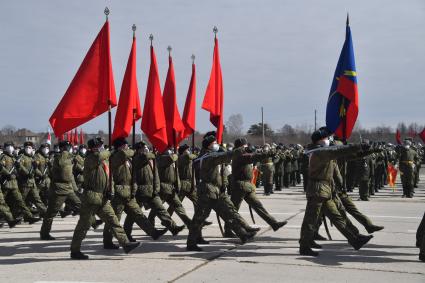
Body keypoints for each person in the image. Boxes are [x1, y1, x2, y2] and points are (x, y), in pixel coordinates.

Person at [299, 127, 373, 256]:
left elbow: (342, 154)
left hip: (324, 190)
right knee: (310, 220)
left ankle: (354, 240)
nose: (329, 140)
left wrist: (362, 149)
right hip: (318, 190)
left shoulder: (320, 151)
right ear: (320, 141)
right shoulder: (320, 152)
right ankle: (304, 246)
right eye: (326, 138)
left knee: (337, 217)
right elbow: (340, 151)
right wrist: (358, 146)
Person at [70, 137, 139, 260]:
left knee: (113, 221)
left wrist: (109, 190)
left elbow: (108, 177)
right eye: (99, 146)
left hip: (103, 198)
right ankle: (75, 250)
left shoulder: (104, 161)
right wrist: (110, 151)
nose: (102, 147)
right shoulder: (91, 158)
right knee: (83, 225)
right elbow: (98, 157)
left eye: (102, 146)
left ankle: (125, 243)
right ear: (93, 148)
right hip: (91, 197)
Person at [186, 134, 257, 251]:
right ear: (209, 145)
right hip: (207, 191)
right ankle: (191, 243)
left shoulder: (205, 155)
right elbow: (224, 156)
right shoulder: (208, 157)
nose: (216, 145)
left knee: (227, 213)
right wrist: (238, 150)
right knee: (199, 218)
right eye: (214, 143)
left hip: (214, 191)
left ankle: (242, 234)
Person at [102, 138, 166, 249]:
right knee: (114, 219)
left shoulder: (128, 158)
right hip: (119, 192)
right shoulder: (116, 156)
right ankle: (107, 241)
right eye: (125, 145)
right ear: (120, 147)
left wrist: (134, 187)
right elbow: (125, 154)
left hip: (129, 192)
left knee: (138, 214)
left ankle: (153, 232)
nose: (127, 147)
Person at [123, 141, 184, 241]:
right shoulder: (137, 158)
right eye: (143, 148)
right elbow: (145, 157)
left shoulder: (151, 159)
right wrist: (154, 152)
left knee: (161, 209)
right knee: (133, 215)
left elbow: (155, 174)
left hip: (151, 190)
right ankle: (127, 233)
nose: (146, 149)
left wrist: (157, 187)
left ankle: (173, 227)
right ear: (138, 150)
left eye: (146, 147)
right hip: (139, 191)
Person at [230, 138, 287, 230]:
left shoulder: (242, 154)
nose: (246, 148)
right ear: (240, 147)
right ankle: (228, 229)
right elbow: (252, 157)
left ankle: (273, 223)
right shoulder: (239, 155)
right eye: (244, 146)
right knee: (233, 209)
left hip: (247, 185)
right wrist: (268, 153)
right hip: (240, 185)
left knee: (258, 206)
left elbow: (252, 156)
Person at [40, 140, 82, 240]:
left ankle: (94, 223)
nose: (68, 149)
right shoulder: (58, 157)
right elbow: (62, 165)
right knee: (51, 213)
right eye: (66, 147)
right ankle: (44, 233)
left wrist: (75, 188)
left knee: (80, 205)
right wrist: (67, 154)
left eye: (69, 147)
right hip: (59, 189)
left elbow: (71, 175)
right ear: (62, 148)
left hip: (68, 188)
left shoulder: (70, 158)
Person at [0, 142, 40, 224]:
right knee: (3, 203)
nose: (10, 148)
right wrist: (7, 174)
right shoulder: (3, 157)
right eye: (8, 146)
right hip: (6, 184)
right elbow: (1, 167)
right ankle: (7, 218)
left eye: (11, 146)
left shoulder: (14, 158)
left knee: (20, 201)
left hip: (14, 184)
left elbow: (18, 171)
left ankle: (29, 217)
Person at [17, 141, 47, 216]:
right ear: (24, 148)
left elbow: (35, 169)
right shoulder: (21, 156)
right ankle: (15, 214)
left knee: (37, 199)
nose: (28, 149)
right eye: (26, 147)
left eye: (30, 148)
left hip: (32, 182)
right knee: (21, 200)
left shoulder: (32, 158)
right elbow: (20, 167)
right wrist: (27, 173)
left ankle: (46, 213)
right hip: (24, 182)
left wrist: (41, 175)